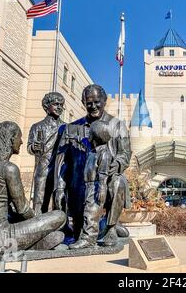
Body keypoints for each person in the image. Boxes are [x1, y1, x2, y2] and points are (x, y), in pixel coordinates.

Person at [0, 121, 66, 255]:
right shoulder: (9, 168)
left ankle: (38, 243)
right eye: (19, 137)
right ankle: (33, 243)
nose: (22, 142)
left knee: (55, 236)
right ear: (11, 139)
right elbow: (23, 209)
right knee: (60, 216)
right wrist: (39, 222)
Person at [54, 84, 131, 248]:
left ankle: (110, 227)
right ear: (83, 102)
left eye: (97, 102)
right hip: (78, 183)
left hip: (106, 179)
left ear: (104, 101)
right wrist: (59, 188)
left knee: (117, 182)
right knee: (75, 231)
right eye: (89, 103)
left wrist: (116, 165)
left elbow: (125, 154)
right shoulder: (71, 128)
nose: (93, 106)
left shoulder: (117, 125)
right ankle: (87, 231)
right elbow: (61, 161)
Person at [27, 92, 65, 215]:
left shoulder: (66, 127)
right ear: (46, 106)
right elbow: (29, 147)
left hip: (60, 167)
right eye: (55, 104)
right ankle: (38, 222)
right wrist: (33, 147)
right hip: (43, 166)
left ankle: (59, 223)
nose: (59, 107)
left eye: (61, 105)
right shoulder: (37, 127)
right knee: (40, 197)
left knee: (59, 197)